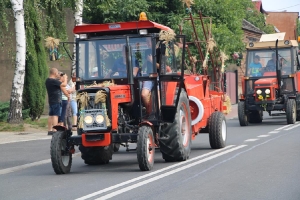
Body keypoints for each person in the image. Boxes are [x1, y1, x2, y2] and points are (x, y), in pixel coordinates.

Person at [45, 68, 69, 135]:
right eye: (57, 73)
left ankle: (50, 130)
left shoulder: (48, 80)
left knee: (51, 115)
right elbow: (64, 84)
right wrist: (65, 78)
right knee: (56, 115)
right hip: (56, 99)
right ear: (55, 73)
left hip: (51, 99)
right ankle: (55, 130)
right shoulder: (53, 81)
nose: (58, 74)